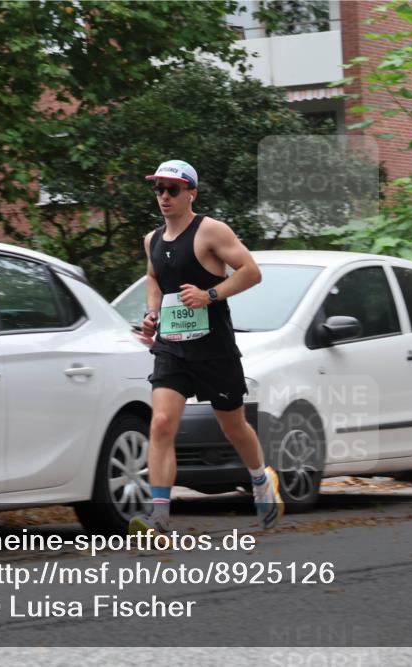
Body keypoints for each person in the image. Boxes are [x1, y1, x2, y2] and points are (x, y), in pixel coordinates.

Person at [129, 159, 284, 536]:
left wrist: (209, 295)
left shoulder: (211, 231)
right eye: (158, 189)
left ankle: (261, 480)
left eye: (173, 189)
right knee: (161, 424)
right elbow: (153, 278)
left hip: (214, 348)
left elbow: (251, 271)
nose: (164, 196)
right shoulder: (152, 240)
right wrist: (151, 313)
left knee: (233, 427)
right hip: (172, 348)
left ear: (191, 193)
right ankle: (159, 519)